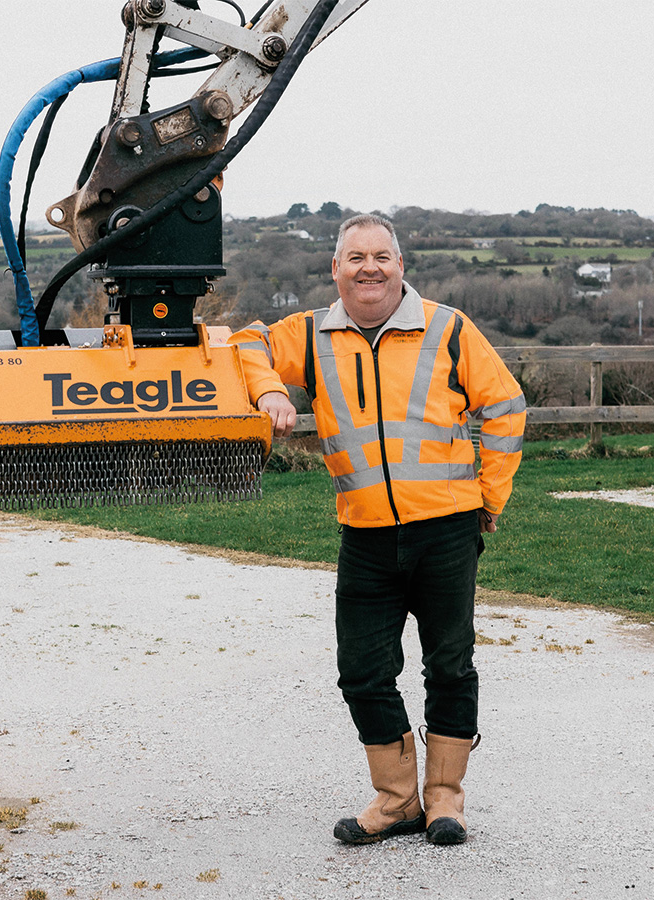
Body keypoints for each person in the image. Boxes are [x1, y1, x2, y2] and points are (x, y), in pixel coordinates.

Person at [230, 214, 525, 846]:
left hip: (446, 528)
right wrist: (267, 394)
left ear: (401, 266)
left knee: (450, 665)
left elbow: (505, 408)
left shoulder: (446, 329)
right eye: (355, 257)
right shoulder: (308, 335)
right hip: (363, 534)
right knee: (362, 671)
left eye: (382, 256)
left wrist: (489, 498)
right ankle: (397, 801)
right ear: (334, 269)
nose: (370, 267)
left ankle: (445, 799)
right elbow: (244, 343)